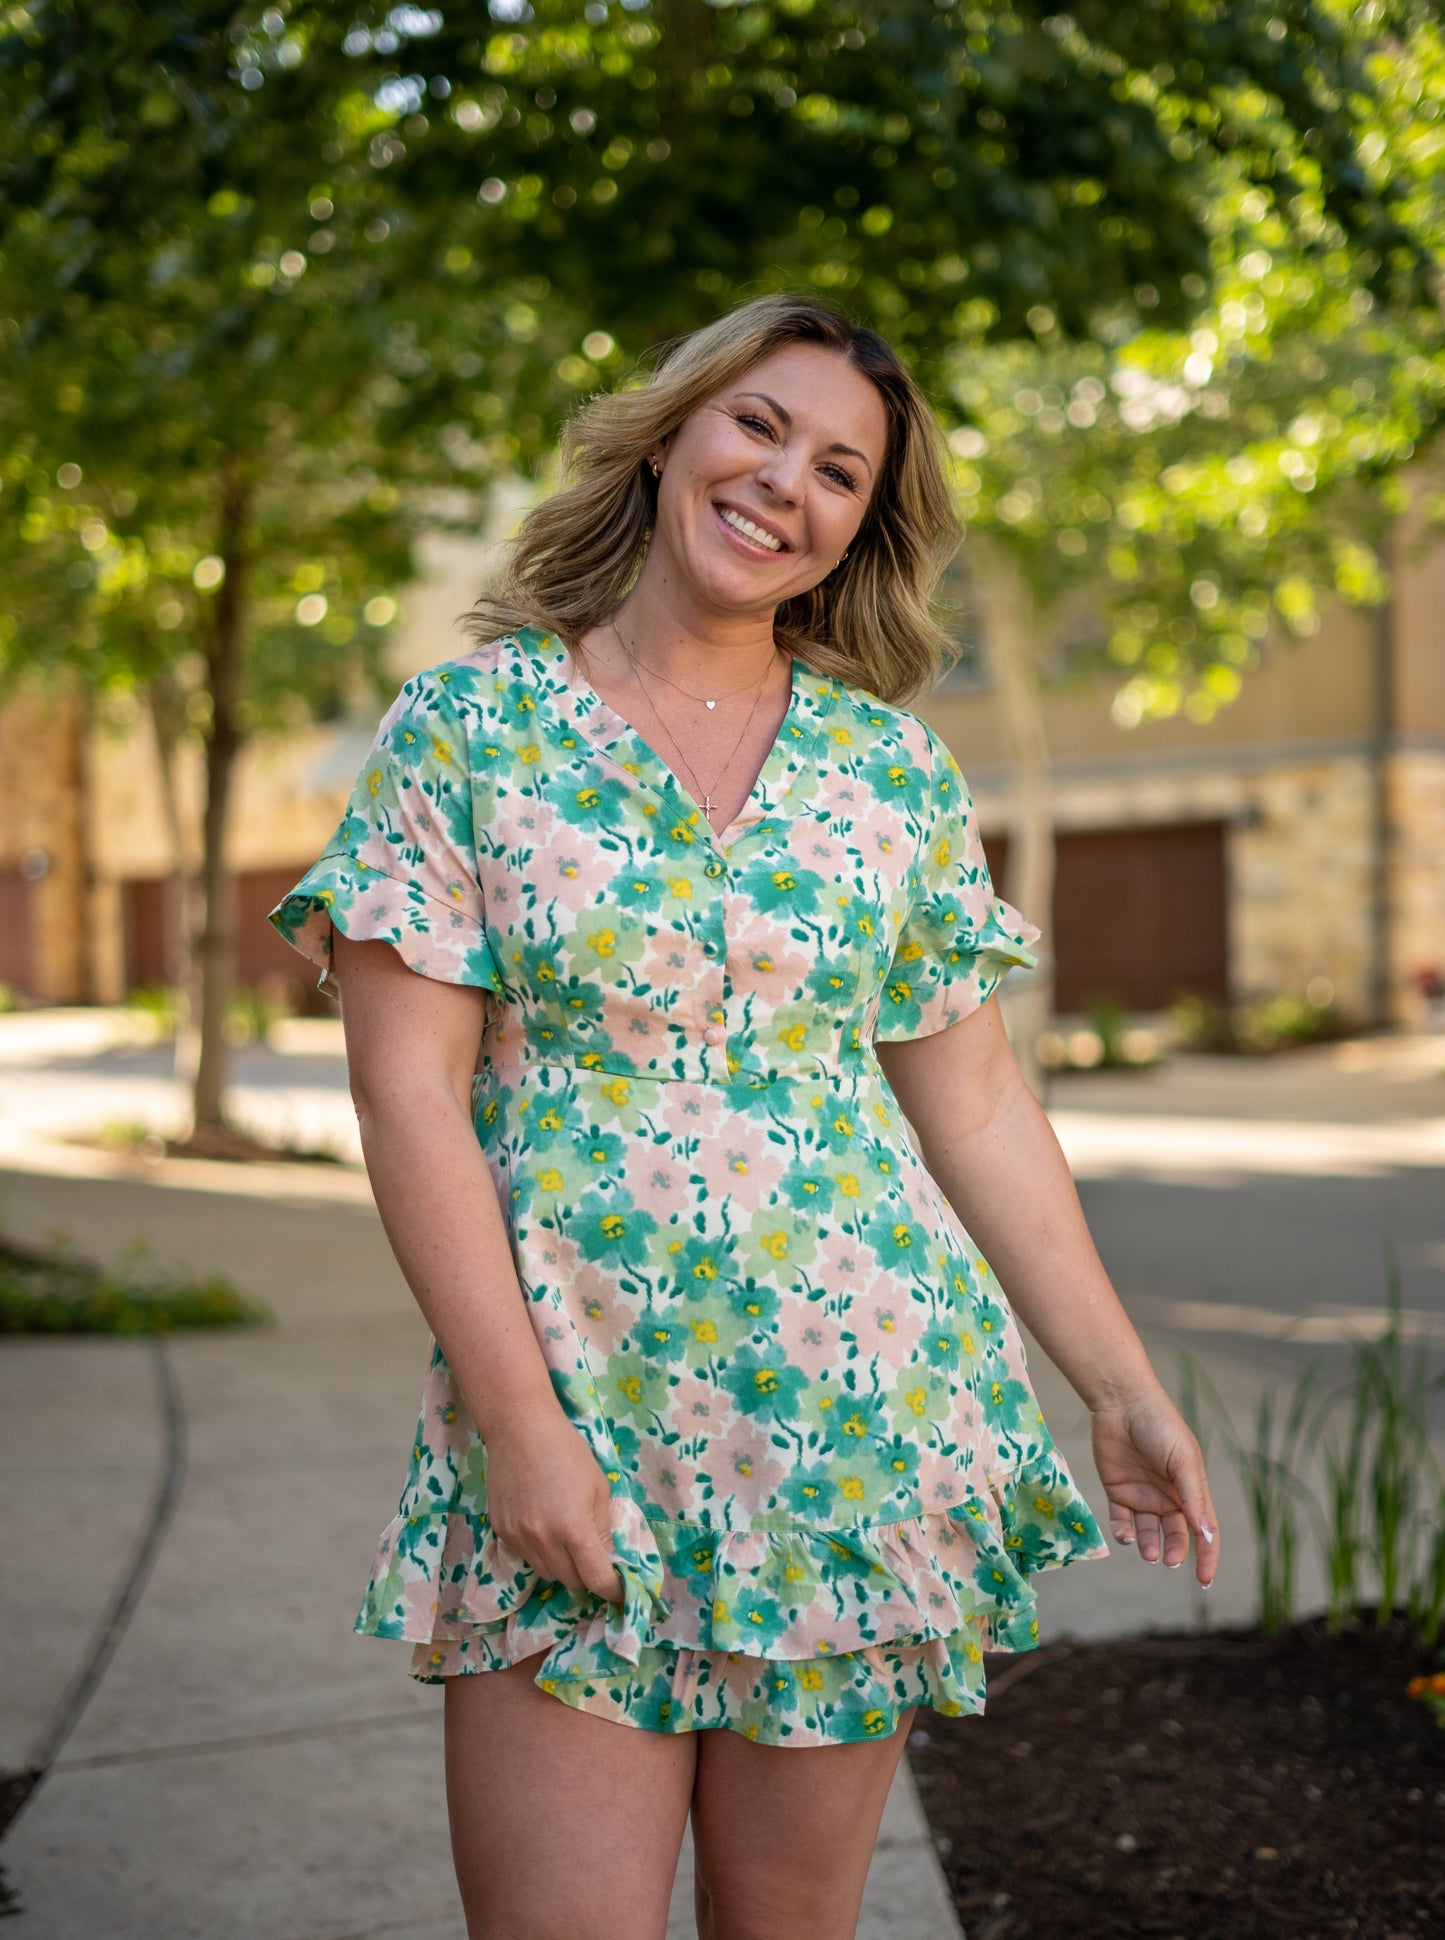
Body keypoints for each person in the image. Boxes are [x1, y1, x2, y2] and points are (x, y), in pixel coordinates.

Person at [269, 293, 1221, 1940]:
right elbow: (406, 1096)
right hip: (578, 1417)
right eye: (759, 426)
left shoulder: (890, 774)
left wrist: (1120, 1386)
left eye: (840, 469)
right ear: (669, 437)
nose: (786, 481)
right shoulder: (466, 733)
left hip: (855, 1433)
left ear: (861, 528)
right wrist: (520, 1429)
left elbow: (979, 1105)